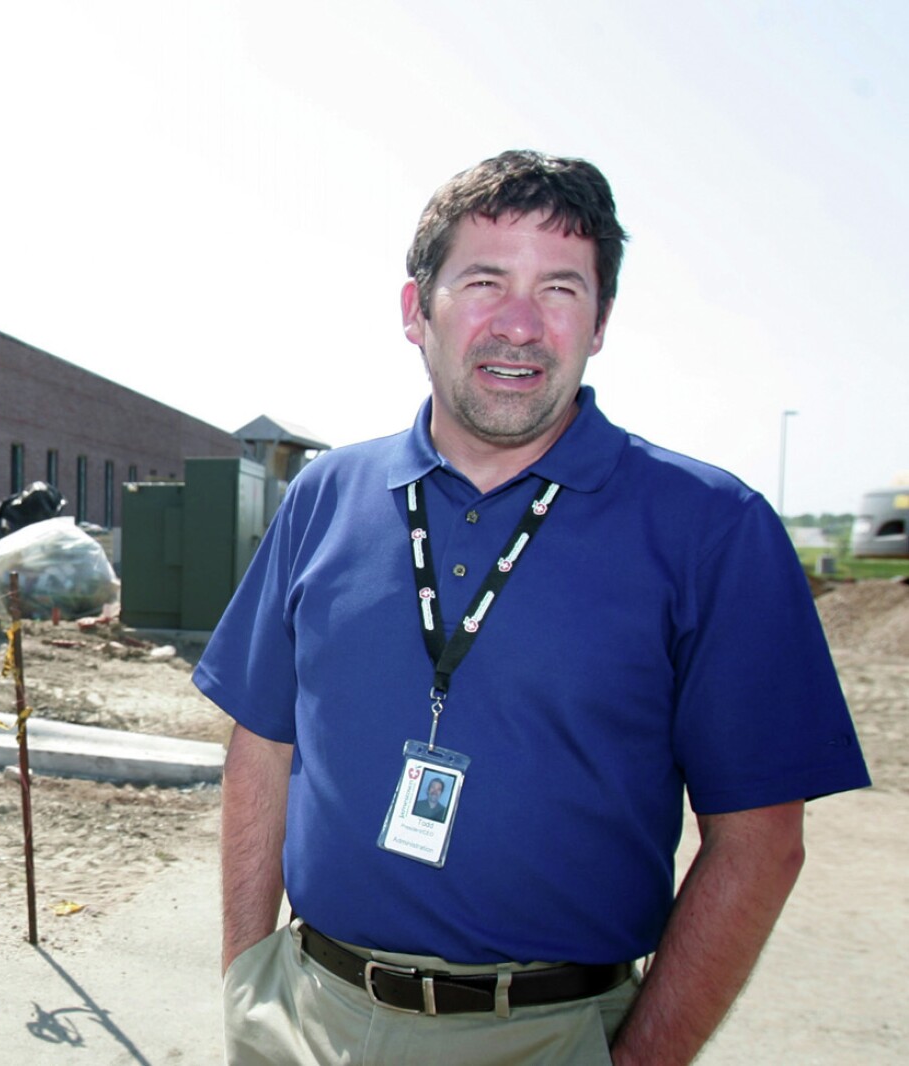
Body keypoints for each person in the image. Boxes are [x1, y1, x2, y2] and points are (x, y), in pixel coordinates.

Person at [194, 149, 871, 1065]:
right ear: (414, 311)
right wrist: (246, 978)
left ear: (599, 325)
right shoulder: (326, 495)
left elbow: (761, 842)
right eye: (483, 281)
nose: (520, 325)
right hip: (302, 1018)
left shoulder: (712, 528)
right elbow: (263, 743)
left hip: (545, 1035)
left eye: (561, 289)